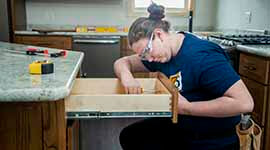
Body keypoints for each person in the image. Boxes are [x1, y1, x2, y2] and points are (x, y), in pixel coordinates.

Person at [114, 2, 254, 150]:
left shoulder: (202, 57)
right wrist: (127, 77)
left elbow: (244, 103)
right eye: (143, 55)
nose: (148, 59)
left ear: (159, 35)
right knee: (130, 136)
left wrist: (188, 107)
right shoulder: (162, 54)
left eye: (147, 51)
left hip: (211, 139)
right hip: (182, 127)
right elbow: (122, 62)